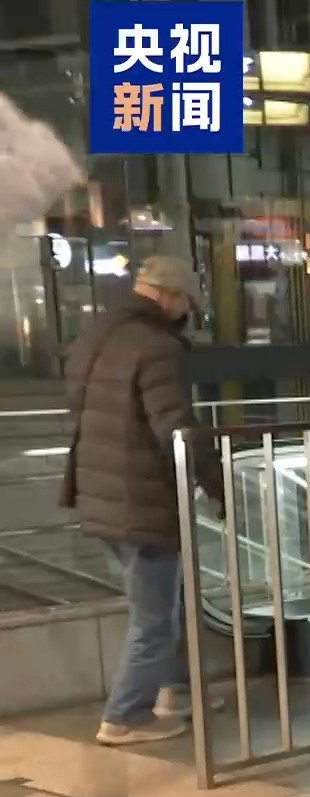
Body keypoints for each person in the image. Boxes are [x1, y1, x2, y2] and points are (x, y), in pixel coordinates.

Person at [62, 255, 225, 745]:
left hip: (99, 493)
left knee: (165, 599)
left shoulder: (98, 336)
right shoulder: (156, 346)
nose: (187, 314)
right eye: (187, 303)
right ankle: (125, 714)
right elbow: (174, 425)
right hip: (140, 498)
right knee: (154, 617)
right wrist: (215, 481)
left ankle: (173, 690)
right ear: (171, 297)